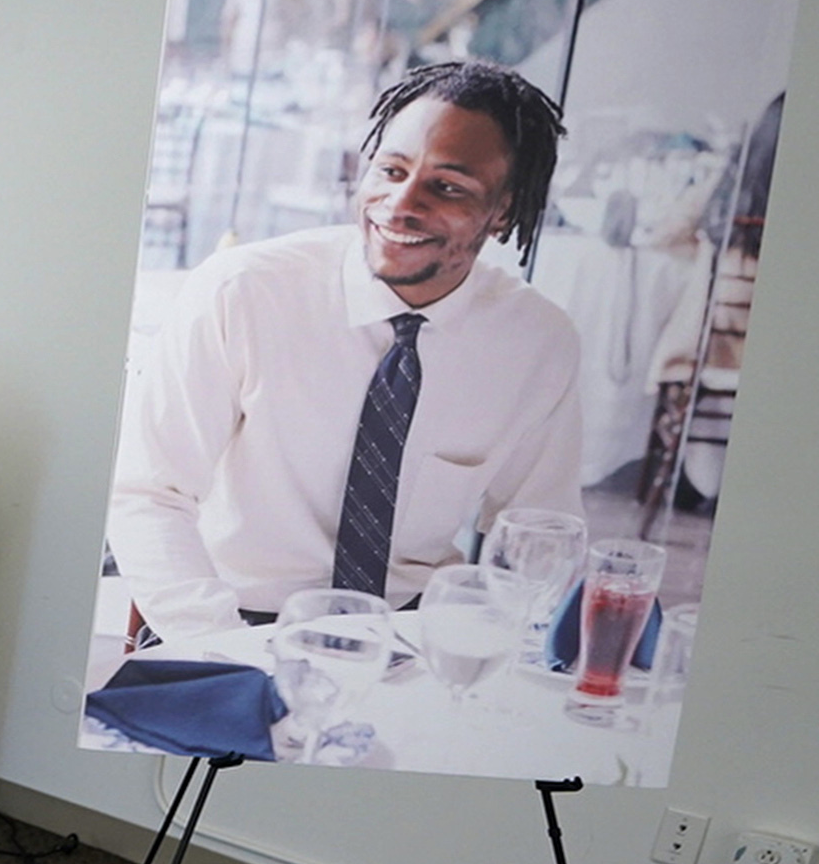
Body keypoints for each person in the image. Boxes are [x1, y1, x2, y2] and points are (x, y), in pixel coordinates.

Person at [106, 60, 581, 642]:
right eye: (391, 169)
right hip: (233, 621)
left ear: (503, 211)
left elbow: (542, 533)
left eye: (448, 187)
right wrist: (221, 650)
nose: (400, 204)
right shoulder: (244, 291)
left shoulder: (536, 342)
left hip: (410, 636)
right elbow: (149, 492)